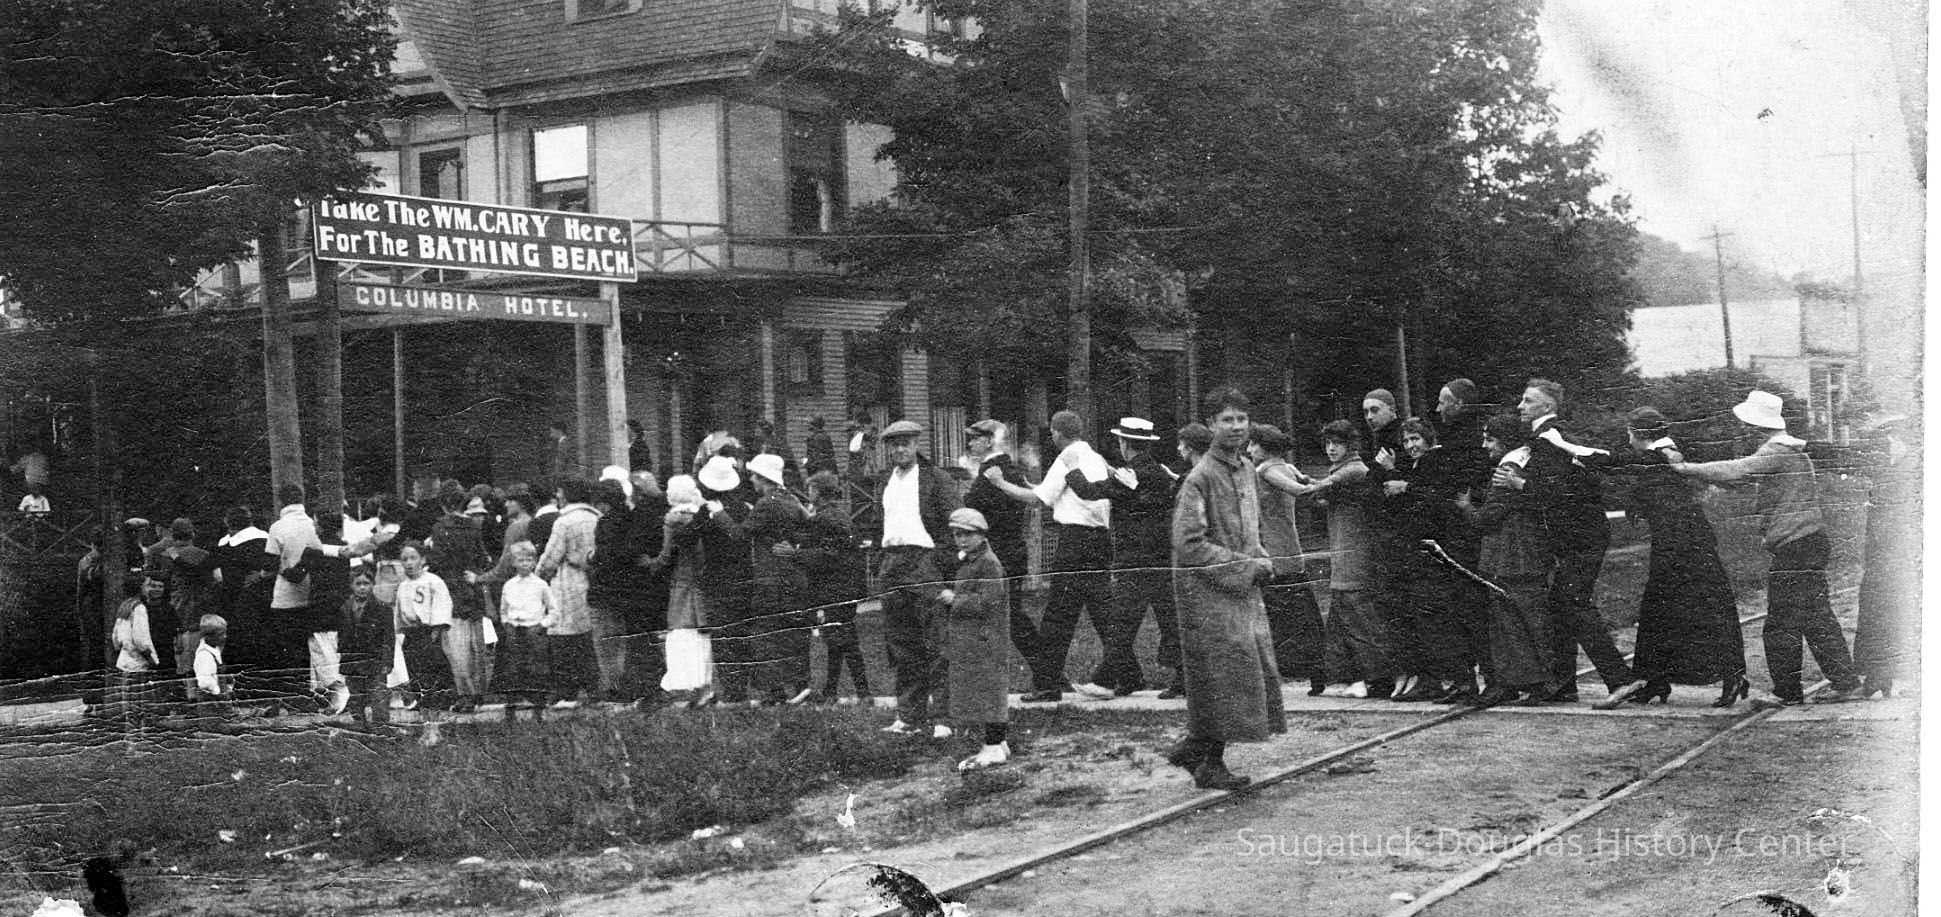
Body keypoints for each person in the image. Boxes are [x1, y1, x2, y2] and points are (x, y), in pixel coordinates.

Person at [1671, 390, 1863, 707]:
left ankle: (1787, 692)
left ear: (1754, 424)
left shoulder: (1776, 451)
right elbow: (1737, 479)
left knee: (1780, 622)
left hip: (1796, 546)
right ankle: (1845, 683)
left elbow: (1737, 471)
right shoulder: (1785, 449)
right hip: (1809, 542)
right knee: (1816, 617)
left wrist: (1686, 468)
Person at [1165, 387, 1286, 791]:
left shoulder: (1247, 469)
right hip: (1208, 593)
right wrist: (1245, 566)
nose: (1235, 427)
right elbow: (1189, 543)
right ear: (1211, 425)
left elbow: (1249, 528)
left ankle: (1197, 749)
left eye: (1241, 419)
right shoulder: (1200, 478)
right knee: (1223, 675)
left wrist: (1262, 554)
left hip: (1241, 590)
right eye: (1226, 420)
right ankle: (1206, 758)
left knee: (1240, 674)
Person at [1593, 407, 1745, 710]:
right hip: (1682, 543)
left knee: (1695, 608)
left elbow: (1615, 462)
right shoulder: (1665, 452)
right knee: (1669, 610)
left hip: (1683, 546)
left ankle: (1724, 676)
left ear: (1636, 435)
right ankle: (1659, 680)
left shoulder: (1657, 454)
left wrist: (1565, 445)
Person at [982, 410, 1115, 702]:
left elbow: (1038, 501)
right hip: (1100, 541)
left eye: (1052, 432)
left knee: (1057, 617)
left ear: (1057, 432)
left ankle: (1047, 685)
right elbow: (1050, 491)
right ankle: (1126, 672)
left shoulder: (1065, 457)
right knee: (1103, 612)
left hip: (1075, 543)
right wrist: (1031, 483)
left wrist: (1000, 484)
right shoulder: (1094, 457)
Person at [1517, 378, 1632, 702]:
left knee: (1573, 603)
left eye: (1527, 401)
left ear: (1547, 406)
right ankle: (1562, 686)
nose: (1520, 406)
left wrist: (1519, 485)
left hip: (1580, 535)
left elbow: (1554, 490)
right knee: (1560, 605)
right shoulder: (1556, 434)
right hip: (1582, 533)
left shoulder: (1547, 438)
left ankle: (1620, 680)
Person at [1062, 417, 1180, 698]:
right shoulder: (1159, 472)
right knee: (1169, 620)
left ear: (1125, 444)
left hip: (1133, 559)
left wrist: (1072, 469)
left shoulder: (1128, 475)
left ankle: (1104, 681)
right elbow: (1137, 490)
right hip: (1161, 557)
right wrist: (1113, 471)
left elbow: (1090, 492)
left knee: (1122, 621)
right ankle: (1178, 681)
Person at [1292, 421, 1392, 699]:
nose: (1331, 448)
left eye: (1337, 443)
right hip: (1344, 552)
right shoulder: (1341, 472)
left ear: (1351, 445)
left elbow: (1320, 488)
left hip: (1356, 553)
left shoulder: (1354, 469)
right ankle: (1358, 676)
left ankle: (1377, 678)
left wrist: (1285, 477)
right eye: (1327, 444)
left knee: (1360, 616)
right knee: (1345, 616)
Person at [875, 419, 962, 736]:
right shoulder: (886, 480)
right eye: (894, 444)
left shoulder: (935, 479)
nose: (900, 449)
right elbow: (879, 523)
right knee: (901, 643)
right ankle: (909, 715)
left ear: (916, 444)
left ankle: (943, 717)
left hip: (924, 561)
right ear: (888, 448)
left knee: (936, 642)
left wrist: (940, 564)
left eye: (906, 442)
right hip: (892, 563)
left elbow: (955, 524)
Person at [1462, 414, 1556, 706]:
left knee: (1511, 623)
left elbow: (1488, 518)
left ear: (1504, 441)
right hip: (1524, 555)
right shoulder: (1524, 461)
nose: (1484, 445)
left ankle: (1522, 681)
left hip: (1510, 556)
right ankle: (1534, 682)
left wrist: (1465, 508)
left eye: (1490, 439)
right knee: (1526, 620)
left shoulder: (1507, 468)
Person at [1381, 418, 1476, 701]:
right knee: (1428, 620)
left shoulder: (1437, 460)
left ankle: (1460, 680)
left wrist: (1404, 486)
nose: (1411, 446)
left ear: (1429, 439)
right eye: (1407, 441)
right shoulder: (1419, 465)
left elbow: (1439, 498)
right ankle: (1440, 680)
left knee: (1438, 619)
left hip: (1435, 552)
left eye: (1416, 439)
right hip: (1420, 551)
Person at [960, 419, 1047, 693]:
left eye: (975, 438)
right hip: (1011, 551)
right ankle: (1047, 671)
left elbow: (974, 509)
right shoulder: (1006, 467)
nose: (970, 444)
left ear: (988, 441)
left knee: (1009, 617)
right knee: (1007, 616)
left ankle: (1047, 671)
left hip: (1001, 555)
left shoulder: (992, 471)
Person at [1250, 423, 1329, 695]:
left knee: (1275, 617)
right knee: (1303, 614)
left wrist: (1324, 487)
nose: (1249, 450)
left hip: (1273, 553)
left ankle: (1273, 674)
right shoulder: (1288, 466)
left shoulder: (1267, 470)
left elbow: (1299, 490)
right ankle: (1317, 671)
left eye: (1253, 445)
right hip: (1291, 549)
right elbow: (1306, 486)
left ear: (1265, 448)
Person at [1850, 411, 1918, 699]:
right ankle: (1881, 674)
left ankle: (1883, 674)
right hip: (1886, 553)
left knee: (1886, 608)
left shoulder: (1903, 469)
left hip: (1894, 553)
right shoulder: (1895, 469)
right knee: (1881, 607)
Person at [941, 508, 1012, 770]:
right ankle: (998, 741)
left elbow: (990, 600)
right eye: (957, 534)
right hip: (974, 637)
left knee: (989, 690)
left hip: (986, 637)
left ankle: (993, 746)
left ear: (982, 534)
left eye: (968, 534)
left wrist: (955, 600)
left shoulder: (988, 563)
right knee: (982, 688)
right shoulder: (971, 560)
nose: (962, 540)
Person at [744, 453, 813, 704]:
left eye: (754, 476)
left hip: (769, 578)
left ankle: (774, 692)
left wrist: (719, 515)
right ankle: (800, 685)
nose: (751, 480)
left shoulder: (765, 504)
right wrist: (794, 546)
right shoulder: (792, 500)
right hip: (793, 576)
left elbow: (740, 533)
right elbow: (811, 528)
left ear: (763, 479)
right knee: (793, 634)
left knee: (766, 636)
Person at [799, 471, 870, 702]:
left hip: (835, 588)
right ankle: (832, 691)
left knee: (845, 642)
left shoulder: (824, 518)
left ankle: (863, 693)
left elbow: (827, 556)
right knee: (838, 641)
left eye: (811, 489)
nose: (809, 494)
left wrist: (797, 554)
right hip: (848, 587)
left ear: (818, 492)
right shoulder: (839, 515)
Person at [652, 474, 717, 708]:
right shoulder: (703, 514)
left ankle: (682, 684)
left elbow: (666, 556)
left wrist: (649, 565)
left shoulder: (673, 519)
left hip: (681, 582)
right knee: (701, 635)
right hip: (702, 582)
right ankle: (704, 685)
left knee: (680, 633)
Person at [428, 483, 494, 712]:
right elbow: (484, 559)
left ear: (444, 503)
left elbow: (437, 562)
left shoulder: (440, 527)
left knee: (456, 647)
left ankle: (465, 694)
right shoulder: (473, 527)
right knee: (476, 644)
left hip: (450, 590)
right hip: (471, 587)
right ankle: (478, 691)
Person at [538, 478, 601, 708]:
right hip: (590, 581)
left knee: (563, 638)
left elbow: (551, 557)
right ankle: (593, 686)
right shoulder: (596, 518)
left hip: (564, 583)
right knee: (587, 638)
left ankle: (567, 691)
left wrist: (538, 578)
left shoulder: (564, 522)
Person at [264, 484, 323, 712]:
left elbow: (269, 566)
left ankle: (293, 695)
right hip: (312, 593)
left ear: (281, 502)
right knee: (309, 647)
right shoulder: (312, 524)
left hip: (285, 596)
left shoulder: (277, 527)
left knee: (286, 648)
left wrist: (279, 568)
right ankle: (311, 693)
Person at [492, 542, 556, 717]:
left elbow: (554, 609)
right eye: (520, 560)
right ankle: (512, 705)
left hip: (534, 629)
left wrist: (543, 625)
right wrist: (506, 623)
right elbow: (503, 609)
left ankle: (538, 707)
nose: (525, 564)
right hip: (514, 629)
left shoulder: (541, 585)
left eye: (529, 560)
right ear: (514, 563)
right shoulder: (509, 585)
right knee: (512, 667)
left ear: (534, 562)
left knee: (536, 667)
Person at [393, 540, 453, 710]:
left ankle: (436, 714)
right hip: (411, 635)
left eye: (413, 558)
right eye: (404, 559)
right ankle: (423, 711)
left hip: (430, 633)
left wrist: (435, 632)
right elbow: (399, 615)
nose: (409, 563)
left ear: (423, 559)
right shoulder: (403, 586)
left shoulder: (433, 581)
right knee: (414, 674)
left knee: (432, 674)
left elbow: (441, 607)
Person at [107, 572, 165, 721]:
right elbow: (141, 638)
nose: (148, 589)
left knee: (129, 700)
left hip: (125, 659)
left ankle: (131, 734)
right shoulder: (139, 608)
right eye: (146, 585)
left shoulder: (125, 606)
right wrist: (151, 658)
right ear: (140, 588)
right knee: (139, 702)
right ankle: (138, 736)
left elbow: (115, 636)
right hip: (138, 662)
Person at [337, 570, 394, 722]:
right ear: (351, 586)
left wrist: (387, 662)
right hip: (352, 661)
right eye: (358, 584)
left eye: (366, 584)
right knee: (356, 698)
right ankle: (360, 729)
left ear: (373, 585)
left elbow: (389, 638)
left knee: (378, 697)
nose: (362, 588)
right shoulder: (344, 608)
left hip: (375, 661)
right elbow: (342, 636)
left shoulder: (383, 608)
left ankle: (381, 732)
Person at [192, 614, 232, 714]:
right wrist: (219, 694)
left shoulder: (215, 650)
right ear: (210, 636)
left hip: (222, 706)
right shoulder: (204, 655)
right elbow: (205, 683)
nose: (225, 636)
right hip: (213, 708)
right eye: (221, 634)